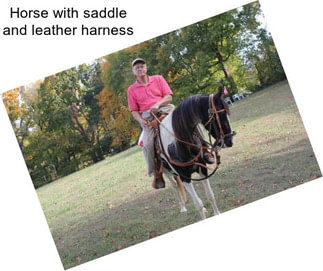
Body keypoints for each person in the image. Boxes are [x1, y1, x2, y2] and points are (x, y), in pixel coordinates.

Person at [127, 58, 175, 189]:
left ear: (146, 68)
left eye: (142, 66)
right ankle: (156, 174)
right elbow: (134, 110)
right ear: (133, 72)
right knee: (146, 144)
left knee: (186, 121)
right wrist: (141, 121)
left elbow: (169, 96)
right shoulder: (131, 90)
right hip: (148, 116)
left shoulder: (158, 79)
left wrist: (157, 104)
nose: (140, 69)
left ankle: (205, 149)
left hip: (165, 108)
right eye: (137, 68)